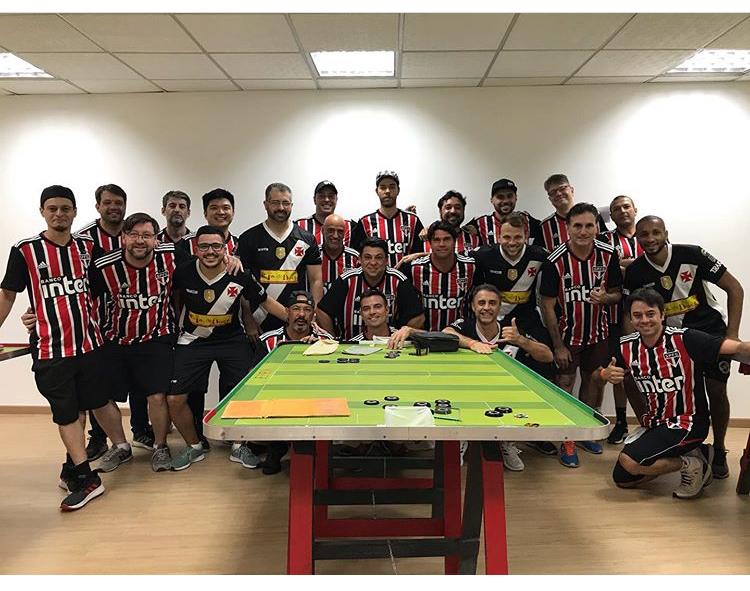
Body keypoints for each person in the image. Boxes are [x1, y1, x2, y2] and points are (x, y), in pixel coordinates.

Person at [0, 185, 129, 511]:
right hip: (51, 350)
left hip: (89, 346)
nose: (59, 214)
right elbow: (8, 294)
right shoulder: (25, 250)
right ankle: (87, 478)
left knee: (89, 405)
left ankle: (72, 468)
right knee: (68, 413)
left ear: (74, 212)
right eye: (53, 208)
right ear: (42, 211)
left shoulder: (87, 248)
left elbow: (100, 292)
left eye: (65, 208)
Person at [597, 288, 750, 499]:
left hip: (688, 421)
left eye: (650, 314)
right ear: (631, 319)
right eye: (637, 315)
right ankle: (698, 454)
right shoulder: (626, 346)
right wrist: (605, 374)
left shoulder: (685, 338)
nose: (644, 320)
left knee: (629, 461)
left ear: (662, 315)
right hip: (657, 423)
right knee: (623, 479)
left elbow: (736, 347)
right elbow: (598, 373)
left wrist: (744, 346)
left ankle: (692, 465)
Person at [624, 215, 744, 479]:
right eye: (644, 234)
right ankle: (688, 448)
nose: (650, 239)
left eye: (656, 232)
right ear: (637, 238)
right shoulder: (634, 271)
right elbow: (631, 312)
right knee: (677, 397)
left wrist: (733, 335)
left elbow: (735, 288)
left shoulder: (693, 254)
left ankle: (719, 449)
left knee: (716, 390)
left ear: (666, 233)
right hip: (672, 343)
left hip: (709, 333)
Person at [170, 225, 287, 471]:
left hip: (231, 340)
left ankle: (238, 445)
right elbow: (175, 300)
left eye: (216, 246)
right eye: (204, 246)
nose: (210, 251)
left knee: (245, 393)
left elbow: (264, 300)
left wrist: (296, 318)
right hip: (193, 339)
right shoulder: (183, 271)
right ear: (196, 249)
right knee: (175, 398)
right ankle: (194, 446)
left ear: (225, 248)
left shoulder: (238, 272)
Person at [90, 212, 193, 472]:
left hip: (156, 337)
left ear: (156, 239)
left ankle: (160, 446)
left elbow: (202, 267)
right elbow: (79, 296)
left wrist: (230, 259)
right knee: (100, 397)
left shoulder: (171, 255)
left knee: (157, 396)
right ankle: (120, 446)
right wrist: (36, 315)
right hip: (115, 339)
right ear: (123, 238)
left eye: (147, 235)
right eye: (134, 234)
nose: (140, 240)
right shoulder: (104, 266)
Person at [539, 202, 622, 467]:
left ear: (597, 227)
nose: (583, 231)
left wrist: (606, 298)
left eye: (588, 225)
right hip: (567, 336)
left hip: (598, 333)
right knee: (564, 384)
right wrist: (558, 345)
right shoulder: (555, 260)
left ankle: (585, 431)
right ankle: (567, 439)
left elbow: (618, 293)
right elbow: (547, 305)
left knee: (593, 382)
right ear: (568, 228)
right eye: (577, 226)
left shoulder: (608, 254)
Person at [74, 183, 153, 460]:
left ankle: (140, 429)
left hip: (134, 318)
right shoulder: (83, 239)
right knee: (100, 385)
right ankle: (99, 438)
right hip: (96, 325)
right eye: (107, 202)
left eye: (118, 202)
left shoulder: (136, 234)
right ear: (98, 206)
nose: (113, 207)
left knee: (140, 381)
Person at [443, 284, 554, 471]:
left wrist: (521, 341)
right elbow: (446, 333)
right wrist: (472, 343)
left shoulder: (511, 331)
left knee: (523, 392)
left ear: (499, 307)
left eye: (492, 303)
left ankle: (506, 442)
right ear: (473, 306)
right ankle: (461, 440)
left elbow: (548, 356)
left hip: (503, 392)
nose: (486, 307)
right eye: (482, 303)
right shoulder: (465, 325)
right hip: (469, 391)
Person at [255, 291, 333, 475]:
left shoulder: (326, 341)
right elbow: (254, 377)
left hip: (313, 399)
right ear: (287, 312)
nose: (301, 314)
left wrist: (318, 350)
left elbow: (332, 379)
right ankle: (278, 445)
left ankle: (315, 450)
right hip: (277, 398)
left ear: (313, 315)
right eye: (296, 309)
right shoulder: (268, 341)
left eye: (307, 310)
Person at [238, 182, 323, 333]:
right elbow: (242, 284)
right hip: (259, 320)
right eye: (275, 202)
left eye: (286, 203)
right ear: (265, 204)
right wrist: (248, 319)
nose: (281, 208)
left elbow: (315, 280)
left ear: (292, 205)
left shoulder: (307, 239)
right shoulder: (248, 238)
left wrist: (313, 314)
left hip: (298, 320)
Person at [598, 195, 644, 445]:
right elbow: (609, 270)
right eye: (616, 209)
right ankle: (621, 422)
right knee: (620, 368)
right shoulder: (605, 240)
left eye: (626, 206)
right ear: (611, 215)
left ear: (635, 209)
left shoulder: (648, 233)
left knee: (650, 369)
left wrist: (628, 265)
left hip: (649, 315)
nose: (622, 211)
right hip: (616, 314)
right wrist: (630, 266)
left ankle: (652, 421)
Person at [316, 237, 425, 340]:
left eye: (378, 257)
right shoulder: (346, 280)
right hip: (349, 345)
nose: (373, 263)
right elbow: (322, 311)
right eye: (368, 257)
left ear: (386, 260)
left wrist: (400, 338)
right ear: (359, 259)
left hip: (388, 346)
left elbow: (418, 317)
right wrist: (333, 340)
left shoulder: (399, 281)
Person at [400, 221, 476, 331]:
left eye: (447, 239)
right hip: (425, 336)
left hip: (461, 336)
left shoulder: (470, 266)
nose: (442, 244)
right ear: (430, 243)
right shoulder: (414, 268)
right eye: (436, 240)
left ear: (455, 241)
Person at [351, 171, 425, 267]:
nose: (387, 191)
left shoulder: (412, 220)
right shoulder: (365, 222)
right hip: (375, 276)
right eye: (383, 187)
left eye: (392, 187)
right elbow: (356, 255)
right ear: (377, 191)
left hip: (407, 276)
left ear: (398, 190)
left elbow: (423, 253)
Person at [540, 174, 608, 252]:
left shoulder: (594, 215)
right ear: (550, 199)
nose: (558, 194)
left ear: (572, 190)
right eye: (553, 192)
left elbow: (606, 244)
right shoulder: (544, 227)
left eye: (562, 188)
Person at [470, 179, 542, 246]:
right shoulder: (479, 222)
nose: (506, 201)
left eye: (509, 196)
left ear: (516, 198)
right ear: (492, 200)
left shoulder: (528, 220)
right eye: (500, 197)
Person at [295, 180, 356, 248]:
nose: (326, 200)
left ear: (336, 199)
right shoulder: (299, 225)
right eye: (322, 196)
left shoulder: (350, 227)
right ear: (314, 199)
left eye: (331, 196)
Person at [181, 188, 239, 256]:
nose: (220, 212)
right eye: (214, 208)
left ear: (233, 212)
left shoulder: (239, 244)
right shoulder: (186, 243)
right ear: (205, 213)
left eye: (226, 208)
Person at [320, 214, 360, 294]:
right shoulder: (313, 255)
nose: (335, 236)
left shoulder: (355, 257)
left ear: (345, 232)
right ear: (323, 230)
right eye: (330, 230)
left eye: (340, 231)